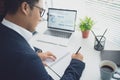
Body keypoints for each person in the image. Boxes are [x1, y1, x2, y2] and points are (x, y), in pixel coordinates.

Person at [0, 0, 85, 80]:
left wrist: (36, 54)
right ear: (25, 7)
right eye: (40, 12)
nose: (40, 19)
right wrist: (76, 63)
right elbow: (22, 56)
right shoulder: (28, 59)